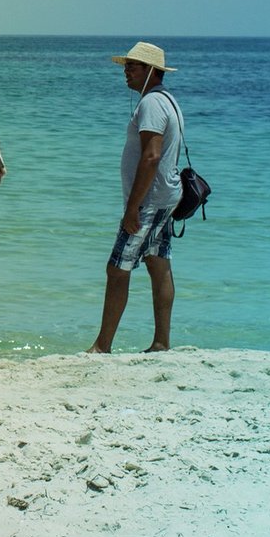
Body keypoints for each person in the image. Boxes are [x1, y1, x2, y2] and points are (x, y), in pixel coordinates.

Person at [88, 41, 184, 354]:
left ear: (151, 71)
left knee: (117, 269)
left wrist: (133, 208)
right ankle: (161, 343)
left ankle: (103, 346)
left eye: (133, 66)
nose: (126, 72)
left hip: (148, 201)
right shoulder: (168, 101)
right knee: (158, 264)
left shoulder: (151, 105)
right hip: (164, 199)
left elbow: (151, 157)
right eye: (126, 66)